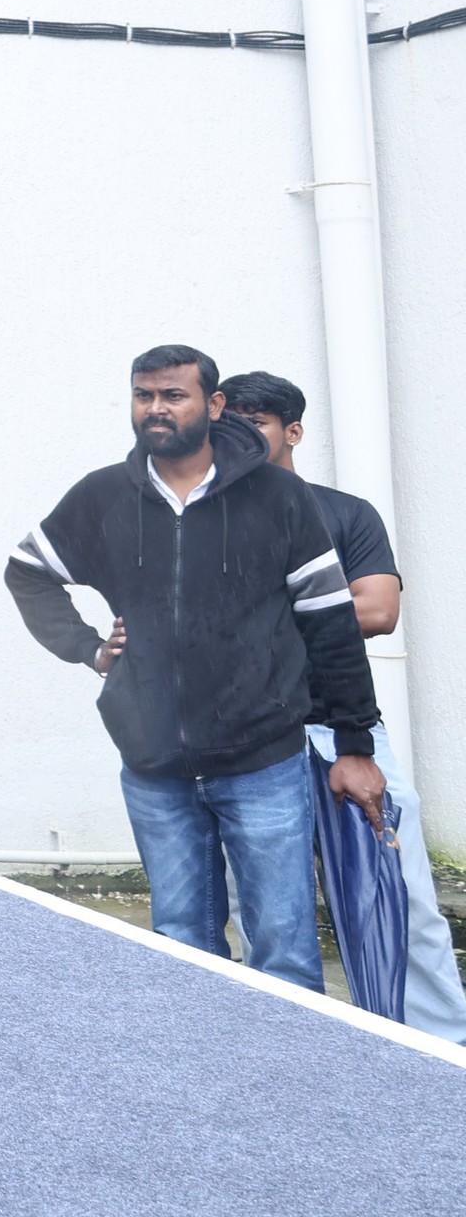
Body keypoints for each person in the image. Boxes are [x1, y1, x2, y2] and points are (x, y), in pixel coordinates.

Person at [4, 349, 389, 993]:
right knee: (181, 950)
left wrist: (355, 745)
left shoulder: (278, 496)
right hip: (154, 769)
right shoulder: (103, 495)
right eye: (144, 395)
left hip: (263, 763)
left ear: (212, 406)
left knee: (285, 953)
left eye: (173, 396)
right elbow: (28, 572)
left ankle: (284, 1060)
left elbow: (331, 624)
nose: (156, 408)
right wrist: (89, 648)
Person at [219, 370, 465, 1040]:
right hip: (244, 741)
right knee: (265, 911)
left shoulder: (346, 513)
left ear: (293, 432)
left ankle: (440, 1050)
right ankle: (289, 1049)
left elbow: (378, 610)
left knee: (398, 897)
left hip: (343, 734)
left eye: (255, 422)